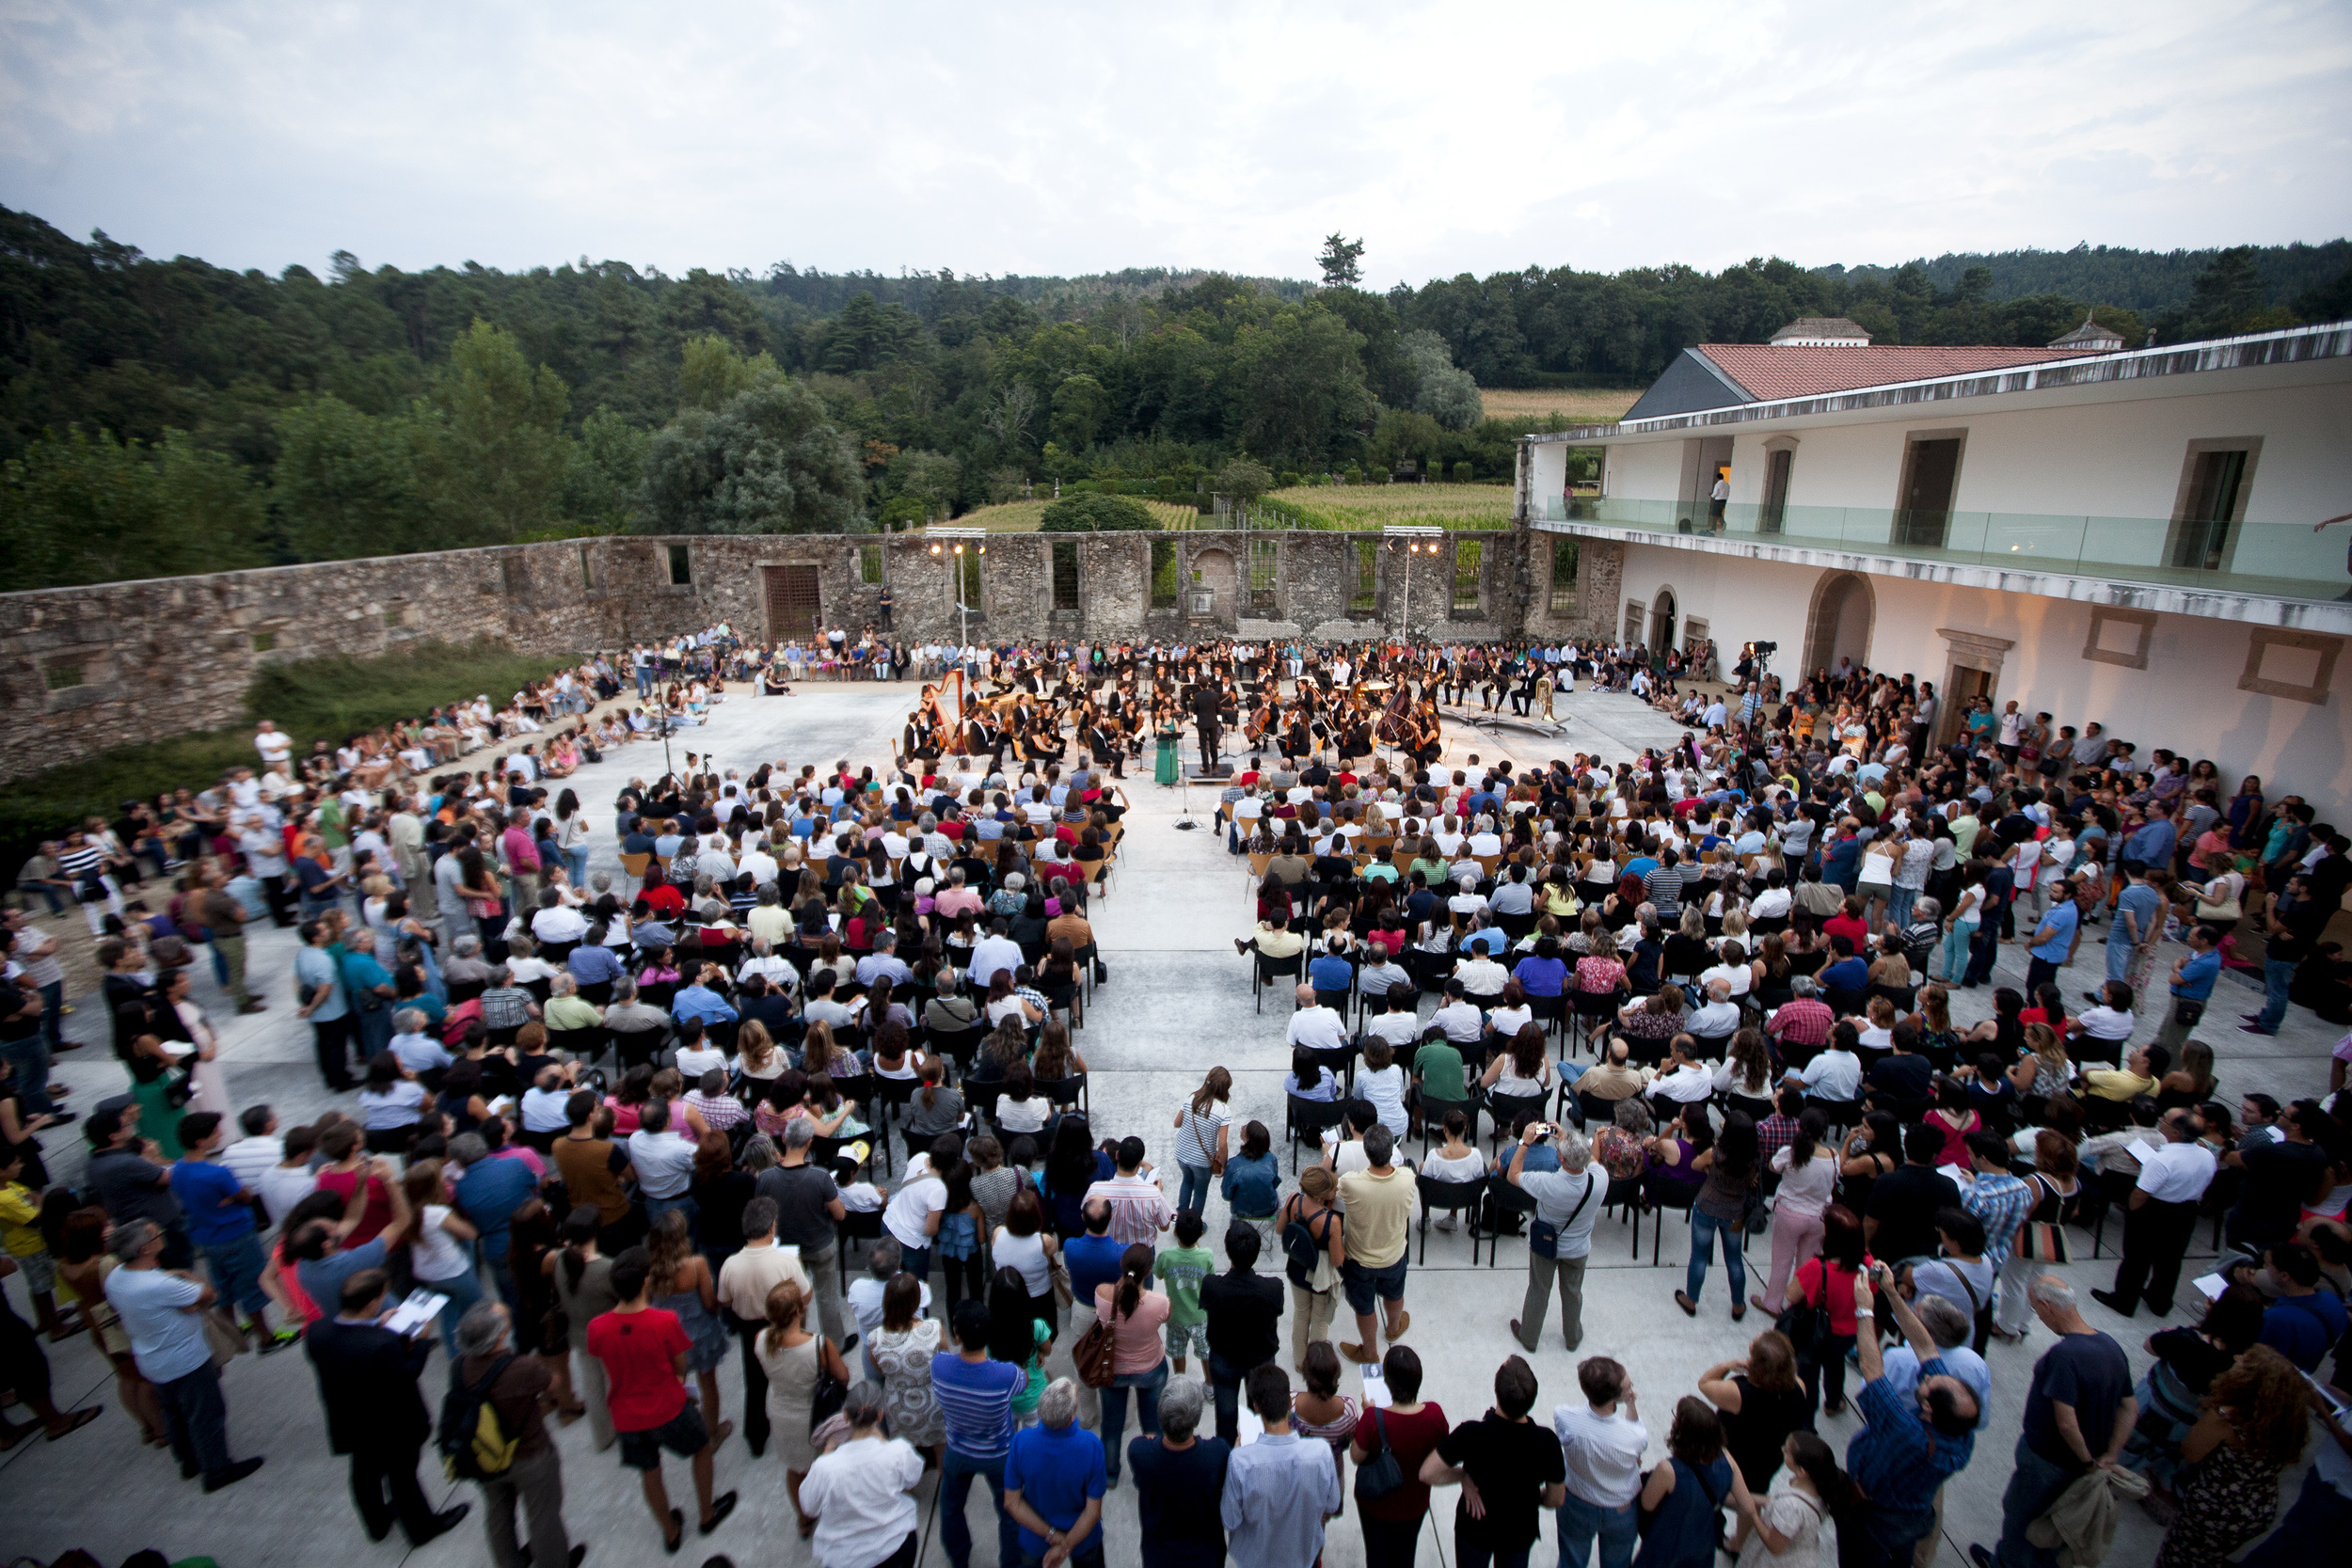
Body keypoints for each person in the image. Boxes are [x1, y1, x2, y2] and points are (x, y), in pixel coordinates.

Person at [584, 1245, 739, 1552]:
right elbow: (679, 1365)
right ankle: (707, 1513)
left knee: (649, 1471)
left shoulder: (597, 1327)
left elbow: (605, 1361)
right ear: (645, 1283)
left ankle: (670, 1531)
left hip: (627, 1415)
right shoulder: (664, 1321)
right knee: (701, 1449)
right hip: (667, 1406)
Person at [304, 1265, 471, 1546]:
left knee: (363, 1476)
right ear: (372, 1303)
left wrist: (377, 1325)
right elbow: (406, 1373)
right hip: (392, 1425)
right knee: (402, 1478)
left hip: (351, 1421)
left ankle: (377, 1524)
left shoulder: (318, 1332)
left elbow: (348, 1354)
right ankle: (422, 1529)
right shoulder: (380, 1344)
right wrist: (420, 1343)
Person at [1973, 1276, 2133, 1568]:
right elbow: (2129, 1407)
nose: (2038, 1316)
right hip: (2087, 1461)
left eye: (2036, 1309)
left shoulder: (2064, 1356)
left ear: (2047, 1306)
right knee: (2056, 1526)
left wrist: (2085, 1460)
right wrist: (2109, 1455)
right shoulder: (2110, 1346)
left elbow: (2066, 1423)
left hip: (2048, 1461)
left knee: (2022, 1518)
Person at [103, 1218, 264, 1493]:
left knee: (173, 1412)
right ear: (145, 1249)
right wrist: (191, 1285)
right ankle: (217, 1471)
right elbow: (208, 1293)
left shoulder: (117, 1277)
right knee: (206, 1414)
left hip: (152, 1359)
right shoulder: (158, 1285)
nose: (161, 1235)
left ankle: (188, 1461)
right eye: (156, 1235)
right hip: (186, 1360)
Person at [1842, 1259, 1979, 1567]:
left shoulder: (1904, 1431)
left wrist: (1865, 1310)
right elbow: (1927, 1348)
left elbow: (1871, 1368)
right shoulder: (1961, 1433)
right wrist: (1892, 1293)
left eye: (1929, 1382)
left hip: (1875, 1517)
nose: (1927, 1375)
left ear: (1928, 1409)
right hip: (1913, 1514)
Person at [2153, 1345, 2313, 1568]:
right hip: (2257, 1508)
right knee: (2206, 1560)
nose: (2237, 1358)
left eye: (2243, 1362)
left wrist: (2215, 1411)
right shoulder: (2285, 1420)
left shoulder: (2226, 1418)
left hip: (2214, 1509)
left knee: (2179, 1558)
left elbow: (2190, 1453)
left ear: (2248, 1382)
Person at [452, 1300, 581, 1568]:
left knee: (498, 1516)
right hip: (530, 1455)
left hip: (485, 1455)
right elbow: (554, 1384)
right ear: (499, 1336)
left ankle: (509, 1563)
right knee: (543, 1517)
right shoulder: (521, 1367)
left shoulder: (459, 1365)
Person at [1423, 1354, 1567, 1568]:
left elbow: (1427, 1473)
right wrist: (1528, 1496)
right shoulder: (1547, 1442)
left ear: (1496, 1392)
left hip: (1475, 1527)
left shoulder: (1472, 1433)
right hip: (1519, 1532)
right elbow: (1556, 1499)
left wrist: (1463, 1475)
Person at [2091, 1107, 2215, 1319]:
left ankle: (2124, 1300)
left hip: (2154, 1211)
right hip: (2186, 1211)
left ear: (2175, 1133)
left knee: (2136, 1259)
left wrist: (2132, 1209)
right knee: (2171, 1259)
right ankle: (2160, 1301)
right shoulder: (2206, 1155)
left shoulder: (2163, 1159)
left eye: (2165, 1122)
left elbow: (2140, 1195)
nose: (2161, 1122)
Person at [1222, 1363, 1345, 1568]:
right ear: (1290, 1403)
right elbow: (1332, 1504)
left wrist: (1238, 1451)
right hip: (1303, 1558)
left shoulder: (1240, 1462)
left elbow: (1230, 1520)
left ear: (1256, 1407)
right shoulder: (1321, 1453)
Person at [934, 1300, 1026, 1568]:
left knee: (950, 1507)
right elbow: (1024, 1382)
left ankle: (958, 1556)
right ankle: (1011, 1562)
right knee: (1010, 1511)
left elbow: (941, 1351)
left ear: (957, 1335)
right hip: (999, 1454)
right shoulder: (1006, 1375)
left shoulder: (939, 1366)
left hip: (957, 1450)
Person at [717, 1196, 810, 1461]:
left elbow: (724, 1300)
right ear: (772, 1227)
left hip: (749, 1329)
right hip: (781, 1325)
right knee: (793, 1376)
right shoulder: (786, 1262)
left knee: (754, 1383)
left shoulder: (730, 1265)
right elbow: (806, 1295)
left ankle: (756, 1438)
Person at [1699, 1334, 1811, 1553]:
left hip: (1733, 1457)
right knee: (1751, 1499)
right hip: (1768, 1458)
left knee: (1713, 1492)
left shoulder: (1738, 1393)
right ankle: (1740, 1544)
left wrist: (1727, 1365)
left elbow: (1705, 1384)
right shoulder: (1799, 1387)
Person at [1348, 1344, 1450, 1568]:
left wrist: (1367, 1413)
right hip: (1415, 1505)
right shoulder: (1434, 1415)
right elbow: (1442, 1452)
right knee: (1405, 1556)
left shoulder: (1373, 1419)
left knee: (1376, 1556)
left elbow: (1356, 1455)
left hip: (1375, 1505)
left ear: (1387, 1383)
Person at [1506, 1121, 1602, 1353]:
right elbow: (1592, 1161)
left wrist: (1525, 1142)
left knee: (1539, 1290)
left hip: (1546, 1247)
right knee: (1572, 1293)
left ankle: (1529, 1336)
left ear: (1561, 1159)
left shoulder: (1548, 1183)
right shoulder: (1600, 1180)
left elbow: (1514, 1174)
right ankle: (1573, 1336)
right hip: (1578, 1248)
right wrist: (1567, 1138)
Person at [1128, 1373, 1231, 1568]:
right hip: (1206, 1556)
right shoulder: (1217, 1454)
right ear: (1197, 1418)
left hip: (1159, 1556)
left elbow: (1145, 1440)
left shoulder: (1139, 1453)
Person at [1555, 1355, 1647, 1568]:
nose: (1631, 1386)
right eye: (1627, 1386)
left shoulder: (1564, 1416)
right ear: (1614, 1397)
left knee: (1571, 1561)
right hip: (1620, 1511)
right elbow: (1637, 1439)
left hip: (1576, 1503)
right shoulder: (1635, 1436)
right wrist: (1631, 1404)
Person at [1006, 1378, 1108, 1568]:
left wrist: (1051, 1535)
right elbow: (1093, 1512)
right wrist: (1066, 1545)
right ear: (1071, 1414)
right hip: (1084, 1537)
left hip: (1035, 1539)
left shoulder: (1021, 1442)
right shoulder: (1091, 1445)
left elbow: (1012, 1502)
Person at [1636, 1396, 1750, 1568]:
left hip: (1665, 1542)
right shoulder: (1727, 1458)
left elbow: (1647, 1504)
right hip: (1702, 1540)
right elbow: (1746, 1506)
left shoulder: (1668, 1469)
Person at [1336, 1122, 1415, 1364]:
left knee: (1364, 1307)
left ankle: (1370, 1352)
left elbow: (1330, 1188)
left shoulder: (1352, 1183)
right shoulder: (1407, 1178)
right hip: (1394, 1255)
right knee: (1395, 1293)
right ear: (1391, 1151)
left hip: (1359, 1259)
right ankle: (1393, 1328)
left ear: (1367, 1153)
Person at [1199, 1223, 1283, 1446]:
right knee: (1258, 1416)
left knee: (1225, 1418)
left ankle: (1227, 1460)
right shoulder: (1273, 1288)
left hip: (1224, 1361)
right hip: (1261, 1362)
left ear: (1228, 1251)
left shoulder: (1212, 1286)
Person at [1732, 1431, 1851, 1568]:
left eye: (1787, 1451)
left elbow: (1774, 1546)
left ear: (1802, 1471)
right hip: (1799, 1554)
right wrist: (1749, 1497)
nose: (1782, 1449)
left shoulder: (1792, 1507)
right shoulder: (1819, 1489)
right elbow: (1777, 1501)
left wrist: (1752, 1513)